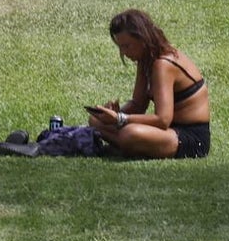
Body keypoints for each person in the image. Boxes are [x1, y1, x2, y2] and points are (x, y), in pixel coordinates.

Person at [86, 9, 211, 159]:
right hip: (167, 132)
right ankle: (129, 146)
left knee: (130, 134)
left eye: (127, 46)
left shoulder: (163, 64)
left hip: (190, 138)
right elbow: (138, 104)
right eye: (120, 47)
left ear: (142, 39)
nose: (124, 52)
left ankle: (127, 146)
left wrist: (119, 118)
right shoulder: (146, 59)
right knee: (95, 121)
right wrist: (110, 116)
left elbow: (163, 120)